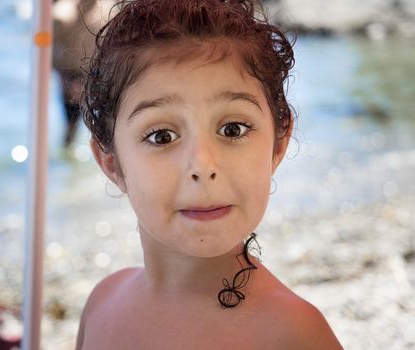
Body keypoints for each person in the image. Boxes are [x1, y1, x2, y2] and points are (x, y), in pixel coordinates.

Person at [78, 0, 344, 348]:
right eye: (162, 136)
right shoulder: (102, 304)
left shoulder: (293, 335)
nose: (203, 167)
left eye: (233, 129)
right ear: (111, 162)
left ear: (278, 144)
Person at [52, 0, 114, 148]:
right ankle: (66, 161)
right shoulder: (63, 13)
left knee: (109, 129)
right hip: (72, 78)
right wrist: (66, 81)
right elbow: (46, 52)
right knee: (71, 129)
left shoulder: (109, 8)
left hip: (101, 76)